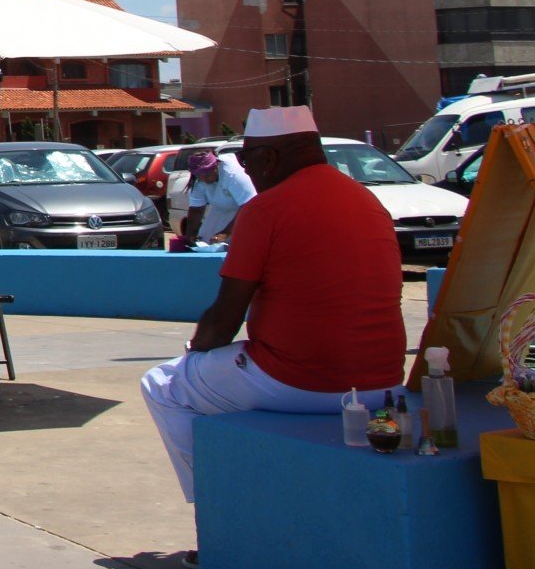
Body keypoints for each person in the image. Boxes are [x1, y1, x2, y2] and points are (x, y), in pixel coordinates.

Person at [140, 106, 406, 517]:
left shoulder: (266, 209)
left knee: (162, 385)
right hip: (385, 383)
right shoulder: (366, 200)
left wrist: (198, 351)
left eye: (246, 160)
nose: (246, 171)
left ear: (269, 158)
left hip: (298, 382)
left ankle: (215, 516)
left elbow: (224, 318)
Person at [176, 147, 256, 248]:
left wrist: (226, 233)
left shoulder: (233, 175)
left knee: (241, 245)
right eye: (199, 175)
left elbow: (249, 206)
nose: (203, 179)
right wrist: (191, 235)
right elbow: (196, 210)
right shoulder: (198, 180)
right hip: (220, 209)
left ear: (216, 166)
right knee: (206, 240)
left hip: (249, 210)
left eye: (206, 174)